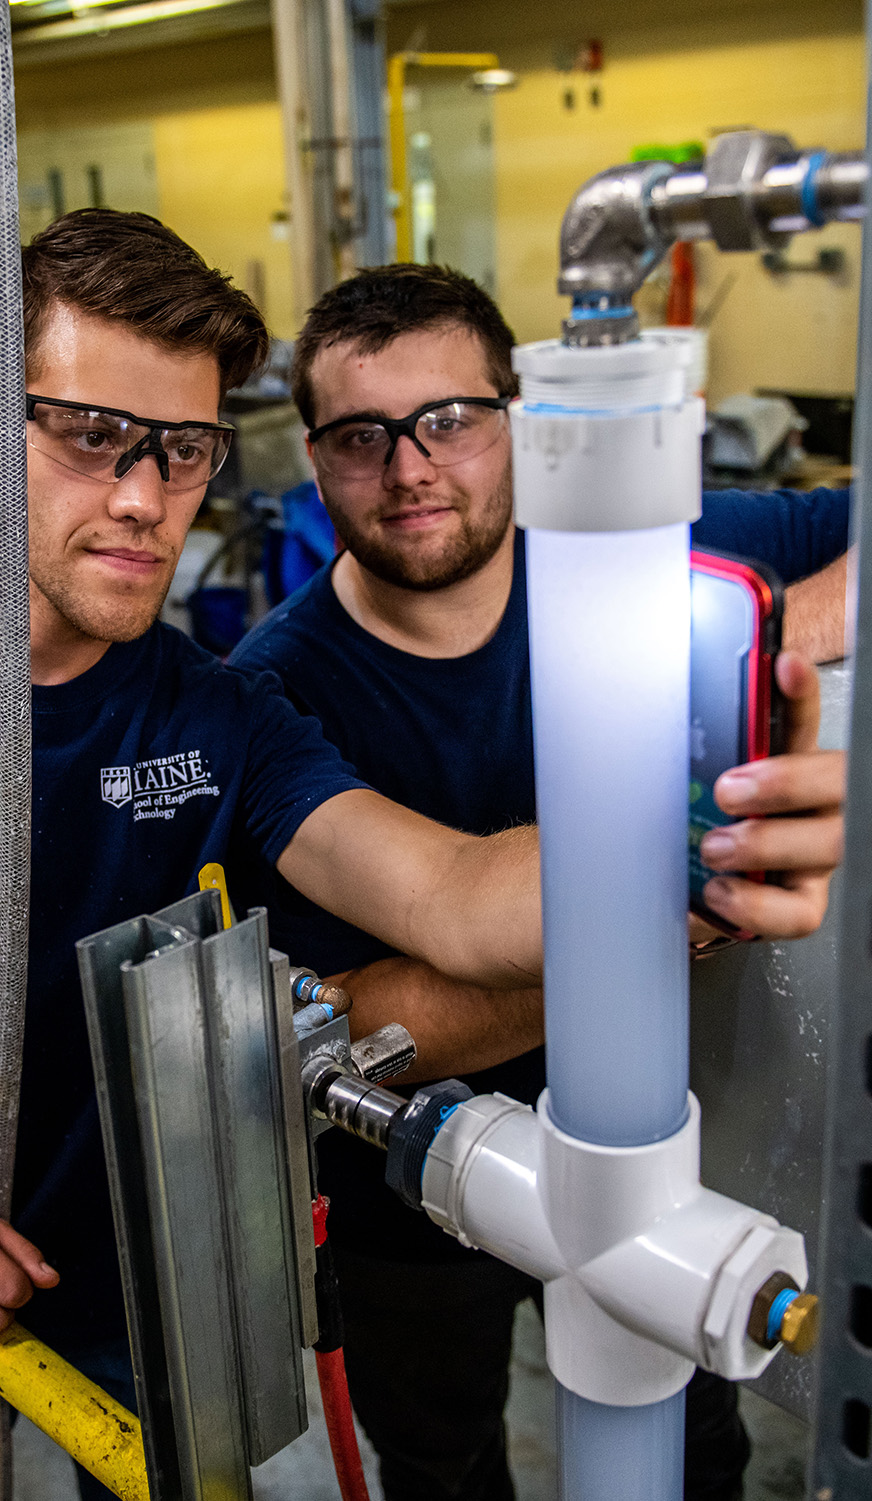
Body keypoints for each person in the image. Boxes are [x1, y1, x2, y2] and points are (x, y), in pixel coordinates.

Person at [0, 211, 564, 1501]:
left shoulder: (223, 715)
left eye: (183, 450)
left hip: (145, 1288)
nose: (146, 498)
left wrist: (691, 846)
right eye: (91, 437)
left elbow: (455, 897)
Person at [230, 262, 849, 1501]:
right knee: (444, 1461)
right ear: (312, 459)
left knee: (690, 1438)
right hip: (415, 1184)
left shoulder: (655, 555)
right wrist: (677, 907)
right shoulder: (272, 691)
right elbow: (360, 1033)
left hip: (652, 1141)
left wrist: (790, 640)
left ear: (520, 417)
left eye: (450, 418)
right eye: (363, 436)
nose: (411, 469)